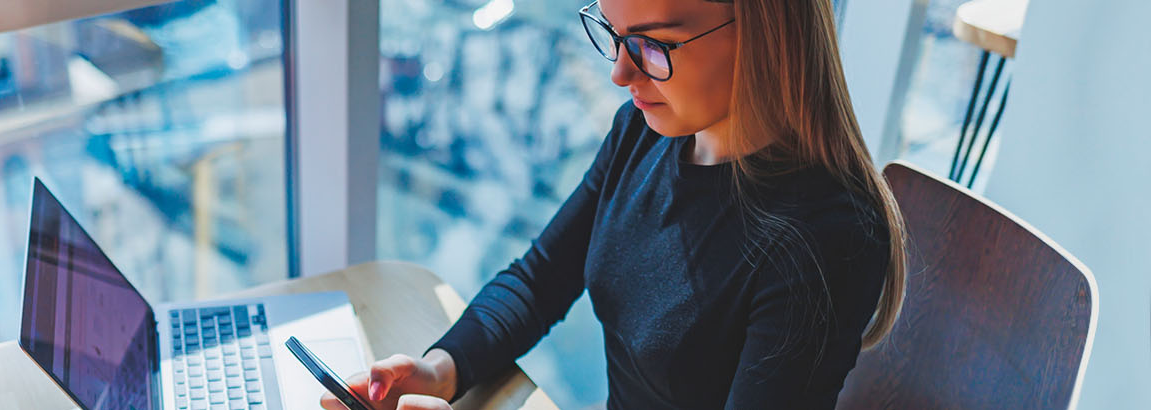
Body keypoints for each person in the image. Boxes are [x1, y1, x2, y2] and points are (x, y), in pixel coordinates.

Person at [323, 0, 907, 408]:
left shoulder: (827, 237)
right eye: (611, 32)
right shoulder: (644, 133)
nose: (620, 73)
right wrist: (439, 371)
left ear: (762, 26)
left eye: (652, 45)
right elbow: (539, 281)